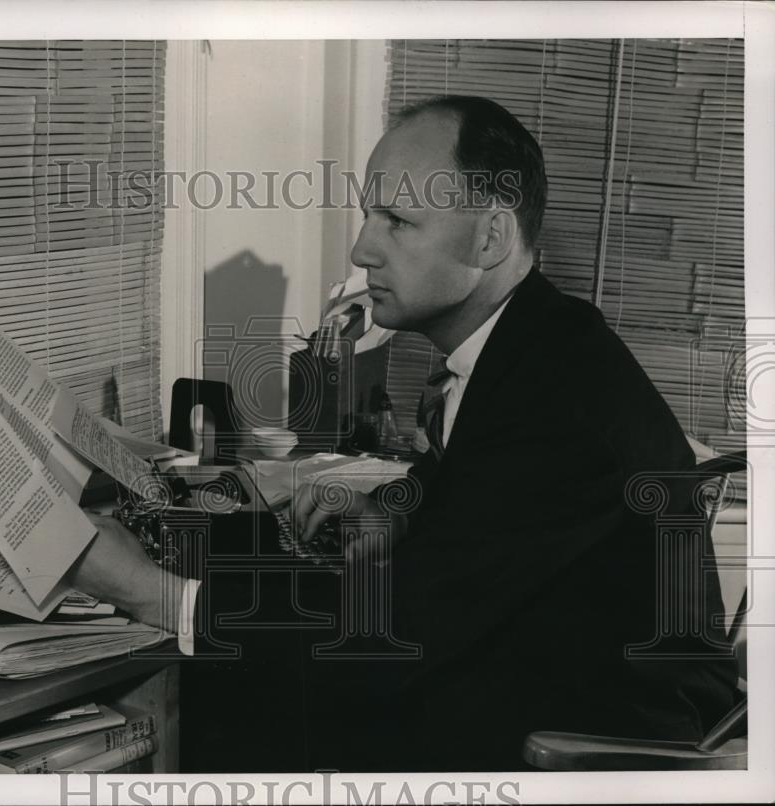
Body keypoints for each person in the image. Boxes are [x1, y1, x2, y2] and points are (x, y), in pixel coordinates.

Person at [69, 96, 738, 771]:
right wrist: (394, 511)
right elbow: (477, 486)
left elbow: (393, 636)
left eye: (397, 221)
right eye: (369, 214)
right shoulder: (533, 343)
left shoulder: (556, 401)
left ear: (490, 238)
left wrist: (144, 592)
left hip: (597, 740)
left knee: (251, 696)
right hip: (531, 674)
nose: (363, 249)